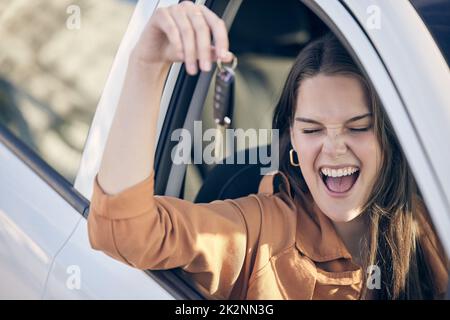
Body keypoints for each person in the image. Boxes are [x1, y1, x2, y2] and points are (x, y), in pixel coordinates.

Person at [87, 2, 448, 299]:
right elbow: (126, 232)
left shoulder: (429, 211)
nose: (334, 148)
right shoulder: (262, 231)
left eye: (357, 127)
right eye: (311, 129)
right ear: (291, 139)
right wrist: (147, 65)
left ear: (390, 137)